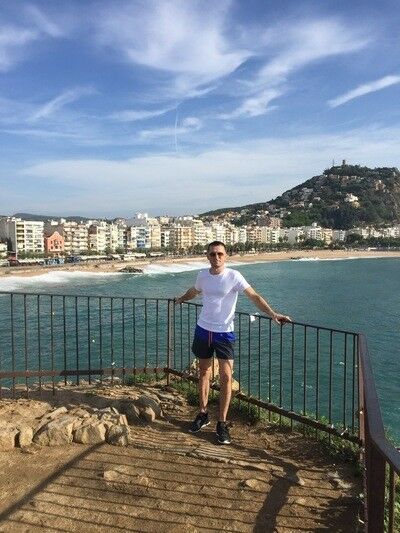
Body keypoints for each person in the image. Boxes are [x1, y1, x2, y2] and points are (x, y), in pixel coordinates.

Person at [174, 241, 292, 445]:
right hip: (203, 330)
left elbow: (254, 296)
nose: (216, 257)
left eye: (220, 254)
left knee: (226, 378)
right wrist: (182, 298)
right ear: (207, 256)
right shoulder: (202, 275)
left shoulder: (234, 276)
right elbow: (195, 291)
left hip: (224, 334)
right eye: (212, 254)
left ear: (226, 255)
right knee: (204, 372)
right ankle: (203, 414)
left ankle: (222, 422)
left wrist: (273, 314)